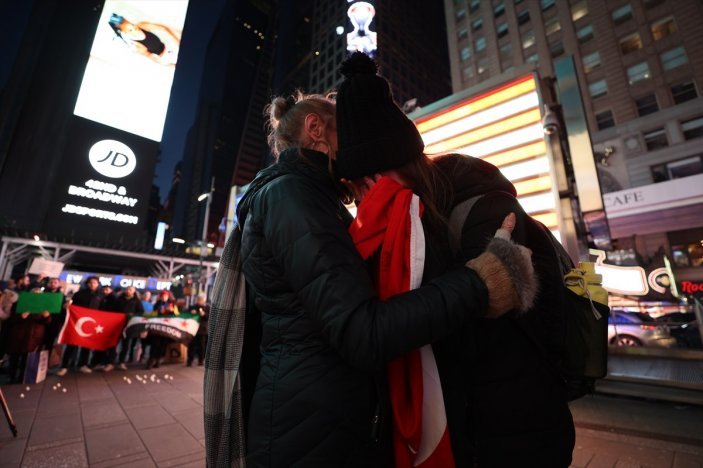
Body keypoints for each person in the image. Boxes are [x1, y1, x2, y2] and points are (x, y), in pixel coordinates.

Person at [204, 88, 535, 466]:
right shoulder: (292, 196)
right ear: (316, 128)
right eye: (349, 135)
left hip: (322, 418)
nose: (356, 153)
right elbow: (361, 330)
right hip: (310, 429)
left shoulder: (312, 198)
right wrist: (478, 284)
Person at [336, 52, 574, 467]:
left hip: (516, 432)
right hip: (468, 428)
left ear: (390, 167)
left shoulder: (485, 204)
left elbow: (480, 315)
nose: (360, 198)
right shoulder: (414, 214)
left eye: (363, 183)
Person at [57, 276, 102, 376]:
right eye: (90, 282)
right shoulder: (79, 294)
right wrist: (67, 307)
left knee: (86, 345)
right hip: (77, 323)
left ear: (98, 284)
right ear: (87, 283)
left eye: (95, 283)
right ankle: (64, 366)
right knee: (71, 345)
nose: (92, 284)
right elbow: (72, 306)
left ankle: (83, 365)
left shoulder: (100, 296)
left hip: (91, 324)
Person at [107, 13, 181, 67]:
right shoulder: (136, 45)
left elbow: (165, 28)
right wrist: (169, 65)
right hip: (167, 58)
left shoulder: (142, 25)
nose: (135, 29)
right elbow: (151, 57)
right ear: (124, 31)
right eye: (130, 30)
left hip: (171, 48)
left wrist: (177, 41)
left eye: (132, 24)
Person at [145, 290, 178, 369]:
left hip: (166, 328)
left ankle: (158, 360)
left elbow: (177, 315)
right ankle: (151, 360)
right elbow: (153, 314)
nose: (164, 297)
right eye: (162, 296)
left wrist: (172, 311)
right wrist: (159, 311)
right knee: (155, 345)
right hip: (157, 329)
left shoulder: (172, 304)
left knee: (163, 345)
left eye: (165, 296)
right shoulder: (156, 304)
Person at [115, 286, 145, 370]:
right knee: (114, 343)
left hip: (129, 326)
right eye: (127, 289)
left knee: (126, 345)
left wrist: (132, 315)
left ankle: (122, 362)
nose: (128, 291)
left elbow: (141, 312)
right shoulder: (119, 300)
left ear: (134, 291)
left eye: (130, 290)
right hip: (117, 325)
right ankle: (110, 361)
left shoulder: (137, 301)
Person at [42, 278, 66, 366]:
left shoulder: (61, 296)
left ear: (59, 284)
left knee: (49, 343)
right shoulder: (43, 293)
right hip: (41, 322)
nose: (53, 284)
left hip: (54, 323)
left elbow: (63, 311)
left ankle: (45, 364)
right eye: (51, 282)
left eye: (55, 282)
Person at [186, 294, 208, 367]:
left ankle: (201, 360)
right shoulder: (192, 307)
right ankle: (189, 360)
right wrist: (191, 313)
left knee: (202, 346)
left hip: (202, 330)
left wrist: (204, 314)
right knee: (191, 345)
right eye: (199, 300)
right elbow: (186, 314)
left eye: (201, 300)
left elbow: (209, 317)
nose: (200, 301)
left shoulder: (207, 308)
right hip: (193, 329)